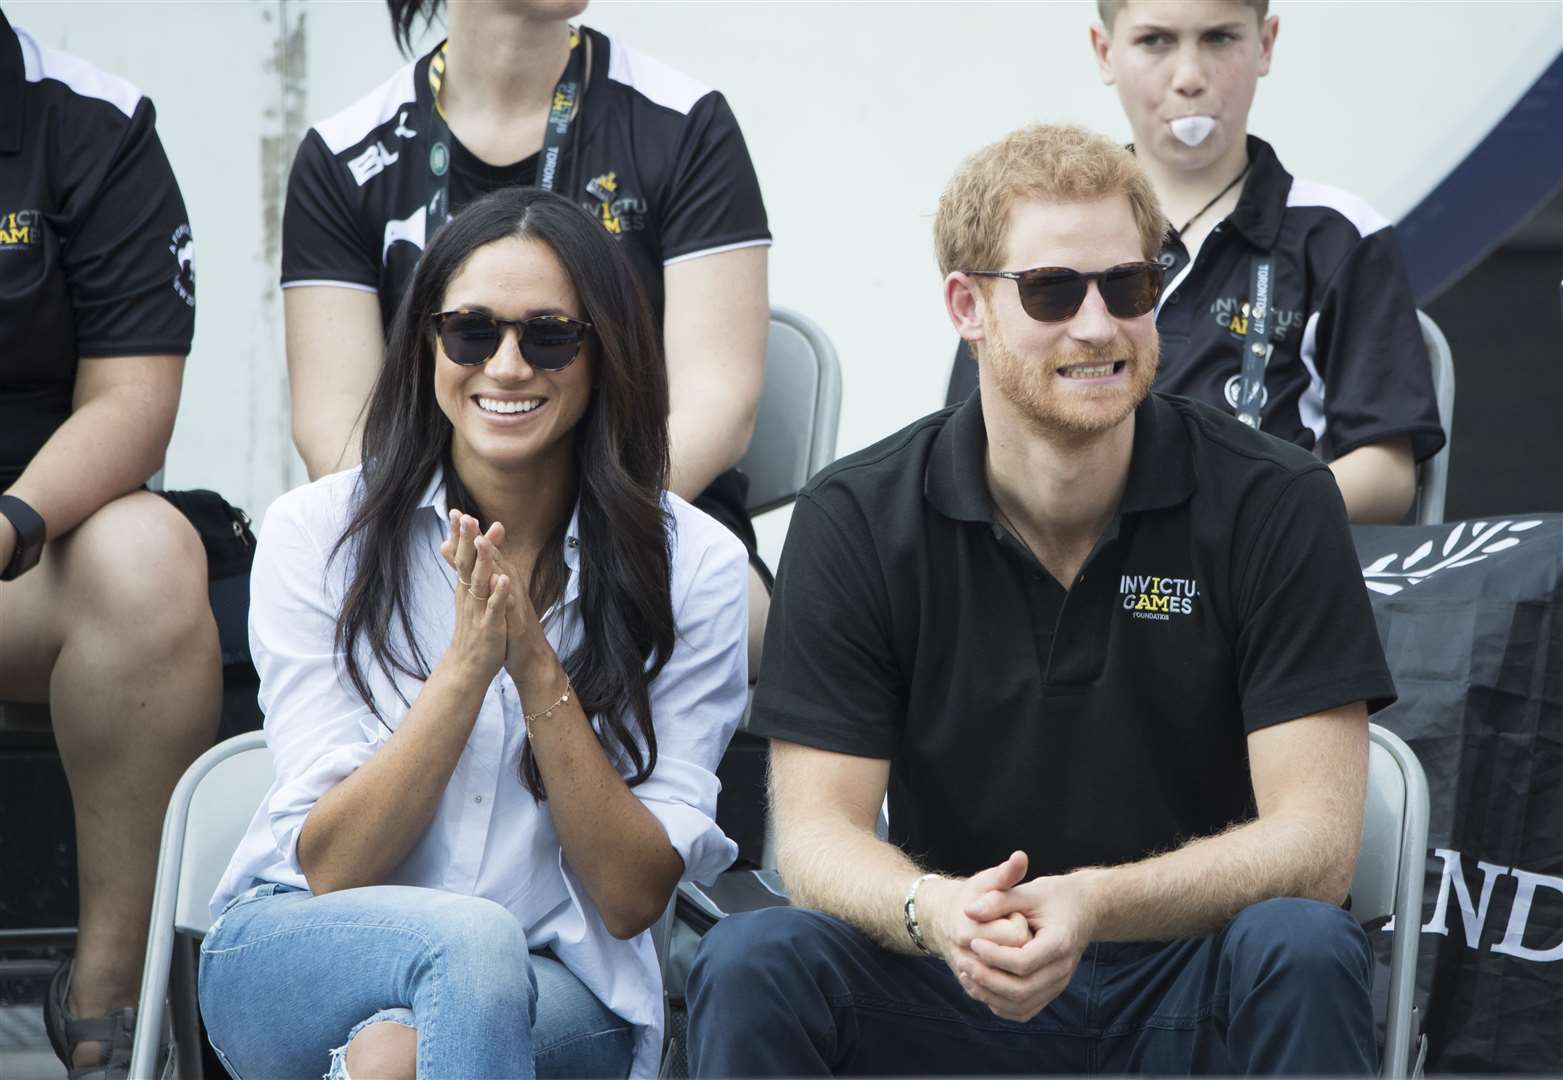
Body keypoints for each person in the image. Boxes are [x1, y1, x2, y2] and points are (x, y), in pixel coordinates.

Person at [687, 124, 1397, 1076]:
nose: (1098, 325)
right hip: (953, 980)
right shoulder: (855, 516)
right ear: (965, 305)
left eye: (1130, 286)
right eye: (1053, 290)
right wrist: (933, 912)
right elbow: (816, 838)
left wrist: (1094, 902)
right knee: (753, 956)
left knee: (1302, 947)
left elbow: (1315, 846)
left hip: (1186, 985)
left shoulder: (1276, 500)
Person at [198, 186, 748, 1080]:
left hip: (557, 981)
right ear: (427, 347)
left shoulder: (694, 566)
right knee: (467, 946)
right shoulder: (315, 535)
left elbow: (629, 897)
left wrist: (534, 668)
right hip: (298, 947)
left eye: (549, 335)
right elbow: (335, 866)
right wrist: (465, 669)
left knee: (402, 1051)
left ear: (604, 353)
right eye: (471, 332)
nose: (506, 364)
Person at [281, 0, 773, 669]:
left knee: (726, 610)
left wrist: (570, 540)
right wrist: (446, 563)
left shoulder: (684, 124)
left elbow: (719, 403)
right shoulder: (343, 155)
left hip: (639, 516)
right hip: (418, 537)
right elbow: (335, 430)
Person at [948, 0, 1445, 524]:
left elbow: (1390, 477)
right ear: (1104, 51)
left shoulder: (1341, 233)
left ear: (1266, 43)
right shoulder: (1039, 227)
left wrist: (1225, 522)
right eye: (1155, 41)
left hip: (1257, 578)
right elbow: (978, 438)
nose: (1189, 77)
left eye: (1219, 38)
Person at [0, 11, 220, 1077]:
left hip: (23, 564)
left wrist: (13, 518)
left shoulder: (92, 124)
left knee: (151, 557)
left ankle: (108, 1000)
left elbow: (134, 397)